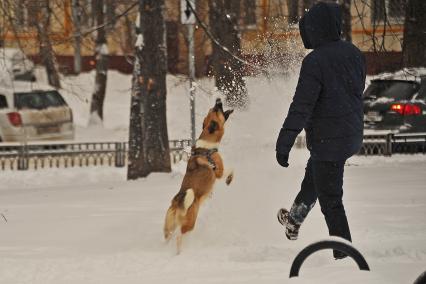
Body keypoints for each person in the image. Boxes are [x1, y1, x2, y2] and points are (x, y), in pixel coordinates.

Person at [275, 2, 366, 259]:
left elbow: (301, 106)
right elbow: (351, 94)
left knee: (332, 202)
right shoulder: (355, 53)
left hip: (329, 140)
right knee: (315, 176)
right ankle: (294, 219)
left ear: (315, 29)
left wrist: (285, 142)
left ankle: (345, 256)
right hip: (350, 135)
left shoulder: (315, 61)